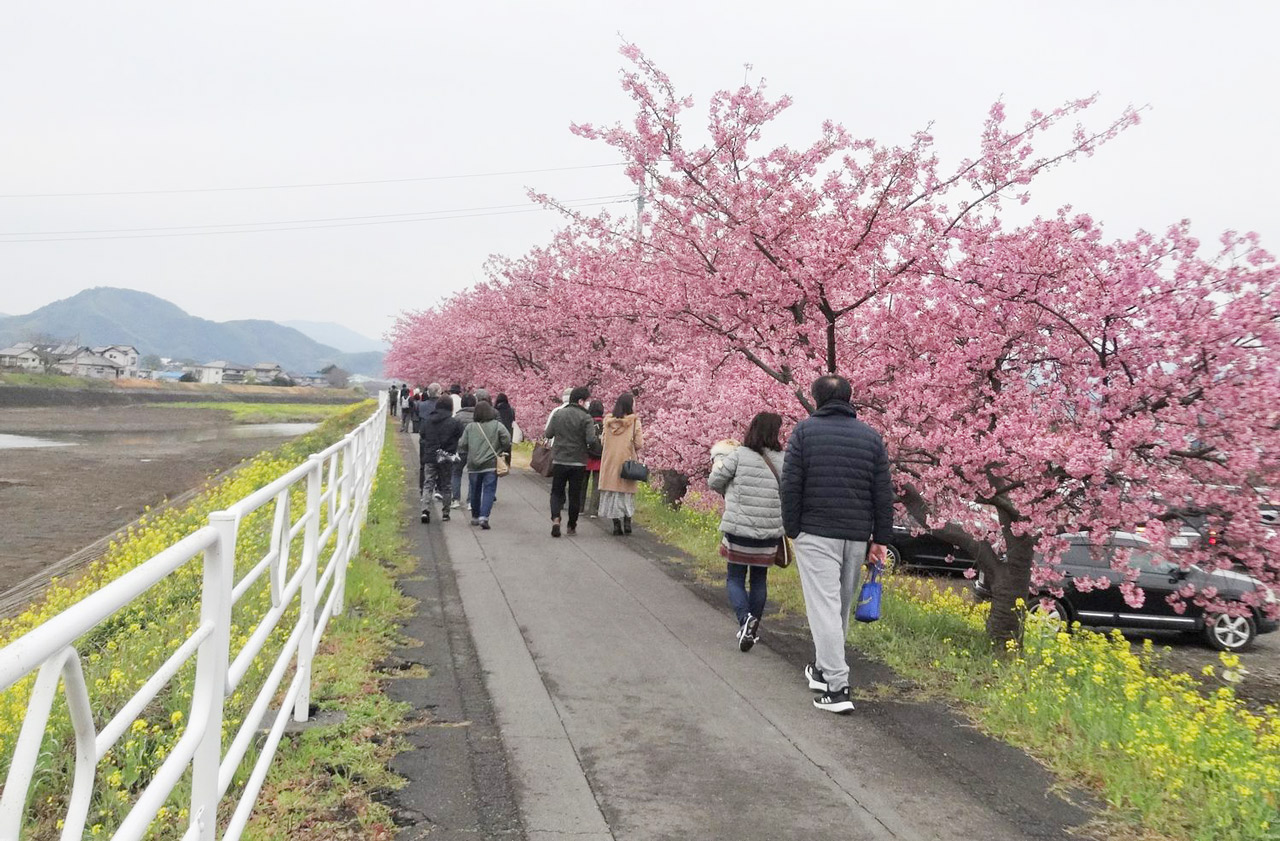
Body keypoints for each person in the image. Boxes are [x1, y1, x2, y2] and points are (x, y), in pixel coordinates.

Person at [780, 375, 892, 715]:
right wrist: (881, 539)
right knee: (838, 607)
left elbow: (791, 485)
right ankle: (821, 668)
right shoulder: (872, 439)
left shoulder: (803, 432)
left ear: (817, 400)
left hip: (816, 533)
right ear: (848, 398)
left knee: (824, 608)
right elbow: (883, 494)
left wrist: (793, 529)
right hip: (856, 535)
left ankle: (838, 685)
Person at [709, 413, 785, 653]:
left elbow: (714, 480)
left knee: (734, 577)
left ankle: (745, 621)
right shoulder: (783, 459)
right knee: (759, 580)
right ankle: (753, 626)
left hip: (739, 529)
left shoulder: (738, 455)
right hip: (769, 531)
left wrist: (729, 490)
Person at [543, 386, 599, 538]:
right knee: (574, 494)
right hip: (578, 461)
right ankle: (571, 525)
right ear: (581, 401)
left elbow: (548, 433)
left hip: (560, 459)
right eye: (587, 401)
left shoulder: (559, 414)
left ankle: (555, 518)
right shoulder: (586, 417)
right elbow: (590, 439)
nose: (588, 404)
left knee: (556, 491)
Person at [457, 400, 512, 530]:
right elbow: (507, 439)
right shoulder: (497, 425)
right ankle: (484, 517)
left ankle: (475, 516)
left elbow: (462, 444)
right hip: (491, 464)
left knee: (475, 490)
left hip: (473, 465)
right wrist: (500, 448)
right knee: (489, 490)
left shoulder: (470, 427)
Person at [597, 392, 643, 536]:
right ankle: (627, 521)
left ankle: (616, 524)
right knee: (626, 493)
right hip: (626, 462)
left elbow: (603, 441)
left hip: (610, 462)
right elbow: (639, 443)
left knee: (612, 493)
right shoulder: (634, 422)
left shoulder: (608, 421)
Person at [418, 396, 463, 523]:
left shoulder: (428, 420)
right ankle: (445, 513)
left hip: (430, 456)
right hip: (446, 457)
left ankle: (425, 510)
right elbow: (460, 434)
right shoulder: (454, 423)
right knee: (446, 485)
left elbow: (422, 434)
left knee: (428, 483)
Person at [579, 399, 605, 518]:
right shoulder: (605, 424)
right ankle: (593, 511)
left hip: (586, 456)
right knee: (596, 485)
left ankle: (580, 507)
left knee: (582, 482)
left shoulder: (586, 422)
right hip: (600, 458)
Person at [451, 394, 477, 508]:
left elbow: (453, 435)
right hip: (474, 449)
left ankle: (456, 499)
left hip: (460, 448)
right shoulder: (478, 416)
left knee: (456, 473)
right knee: (473, 475)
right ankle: (471, 501)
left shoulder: (457, 417)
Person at [495, 393, 516, 465]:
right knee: (508, 448)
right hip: (508, 430)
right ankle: (507, 463)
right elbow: (513, 420)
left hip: (497, 430)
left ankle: (497, 463)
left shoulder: (495, 410)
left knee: (497, 447)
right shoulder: (511, 410)